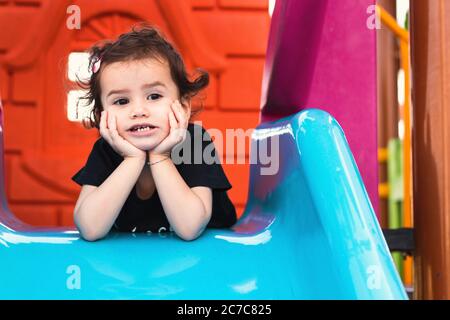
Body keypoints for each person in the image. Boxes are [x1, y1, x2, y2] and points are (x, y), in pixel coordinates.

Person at [72, 24, 237, 242]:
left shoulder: (195, 143)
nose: (139, 111)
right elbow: (90, 228)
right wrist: (132, 159)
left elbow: (189, 228)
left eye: (154, 96)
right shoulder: (105, 150)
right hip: (137, 265)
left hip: (202, 262)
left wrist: (160, 158)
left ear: (184, 107)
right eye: (121, 101)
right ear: (103, 116)